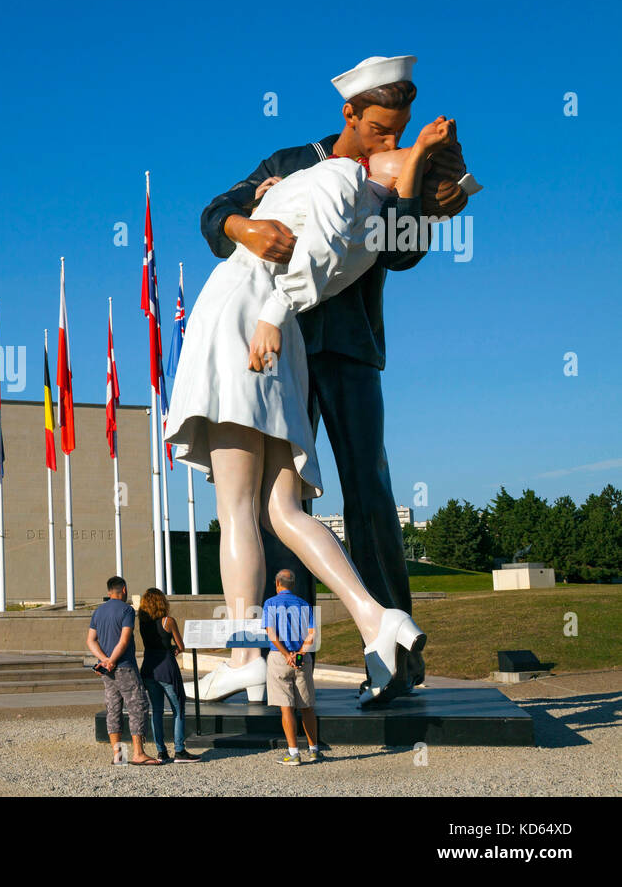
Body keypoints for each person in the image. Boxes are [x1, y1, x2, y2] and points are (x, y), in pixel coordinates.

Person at [167, 113, 473, 706]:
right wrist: (243, 225)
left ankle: (389, 657)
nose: (394, 139)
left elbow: (400, 253)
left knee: (365, 493)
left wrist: (425, 196)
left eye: (401, 130)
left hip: (335, 347)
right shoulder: (292, 162)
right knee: (282, 510)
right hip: (282, 349)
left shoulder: (383, 182)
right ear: (351, 114)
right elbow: (214, 216)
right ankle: (292, 661)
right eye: (385, 128)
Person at [87, 576, 160, 766]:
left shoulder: (98, 611)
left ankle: (118, 755)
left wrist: (104, 661)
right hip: (124, 666)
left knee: (113, 709)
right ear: (124, 590)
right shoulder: (127, 610)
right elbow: (125, 639)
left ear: (109, 591)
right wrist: (112, 660)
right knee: (138, 706)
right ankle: (138, 753)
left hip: (107, 670)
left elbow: (91, 641)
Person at [263, 570, 320, 765]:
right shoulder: (304, 604)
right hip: (302, 659)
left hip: (280, 658)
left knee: (286, 708)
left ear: (278, 583)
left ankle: (294, 753)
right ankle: (314, 750)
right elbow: (311, 634)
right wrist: (299, 654)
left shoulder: (270, 603)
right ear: (292, 584)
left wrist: (287, 655)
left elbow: (271, 634)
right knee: (307, 706)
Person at [138, 588, 201, 763]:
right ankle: (179, 750)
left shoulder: (142, 622)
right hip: (166, 668)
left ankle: (161, 751)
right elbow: (181, 646)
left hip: (149, 668)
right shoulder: (168, 621)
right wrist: (173, 648)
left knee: (156, 711)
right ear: (162, 602)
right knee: (178, 709)